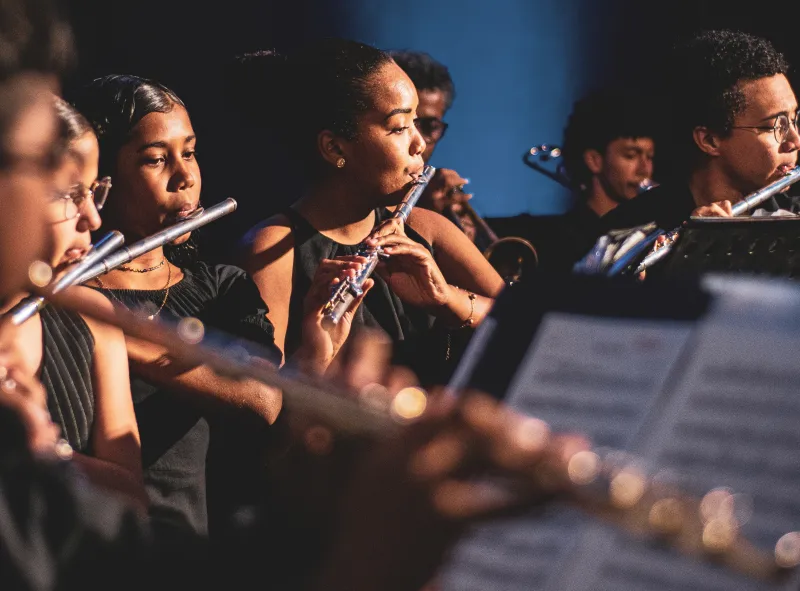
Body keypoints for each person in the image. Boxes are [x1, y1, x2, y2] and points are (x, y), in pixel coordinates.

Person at [71, 74, 368, 539]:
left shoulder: (220, 288)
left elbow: (263, 402)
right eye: (155, 159)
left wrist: (119, 338)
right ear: (99, 180)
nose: (185, 176)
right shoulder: (63, 294)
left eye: (188, 152)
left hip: (188, 543)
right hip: (83, 542)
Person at [235, 40, 505, 387]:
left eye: (417, 123)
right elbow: (260, 402)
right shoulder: (272, 248)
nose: (419, 144)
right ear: (334, 148)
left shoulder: (427, 227)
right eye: (399, 127)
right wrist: (316, 357)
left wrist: (445, 298)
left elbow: (527, 326)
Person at [0, 97, 146, 509]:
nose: (93, 219)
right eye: (69, 193)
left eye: (94, 191)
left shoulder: (91, 316)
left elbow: (132, 498)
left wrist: (43, 445)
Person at [599, 29, 799, 234]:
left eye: (794, 120)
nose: (796, 141)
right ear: (709, 140)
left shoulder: (793, 217)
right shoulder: (630, 230)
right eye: (775, 126)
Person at [390, 49, 490, 249]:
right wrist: (422, 215)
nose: (419, 141)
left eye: (429, 126)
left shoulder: (439, 190)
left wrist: (462, 241)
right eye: (403, 124)